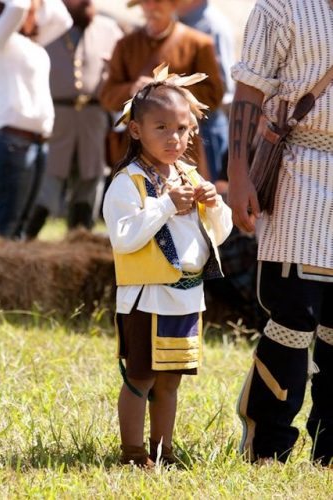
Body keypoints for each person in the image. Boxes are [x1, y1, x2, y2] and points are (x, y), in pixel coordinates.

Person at [102, 67, 232, 467]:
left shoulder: (188, 175)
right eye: (161, 127)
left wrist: (214, 205)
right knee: (140, 377)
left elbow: (221, 233)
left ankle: (163, 450)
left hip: (187, 295)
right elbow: (123, 238)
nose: (174, 138)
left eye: (181, 128)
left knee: (170, 381)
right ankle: (132, 452)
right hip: (146, 296)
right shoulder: (128, 182)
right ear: (136, 130)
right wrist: (164, 205)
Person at [227, 0, 333, 465]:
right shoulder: (282, 6)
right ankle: (266, 444)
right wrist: (238, 175)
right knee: (293, 316)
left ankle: (329, 449)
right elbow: (248, 93)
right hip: (298, 173)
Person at [25, 0, 122, 238]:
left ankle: (80, 238)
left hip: (94, 118)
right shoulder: (45, 25)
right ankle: (25, 241)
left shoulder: (109, 28)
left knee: (90, 181)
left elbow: (125, 69)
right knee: (48, 183)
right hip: (56, 117)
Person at [99, 0, 224, 180]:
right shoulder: (125, 45)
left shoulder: (199, 44)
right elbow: (107, 97)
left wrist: (169, 90)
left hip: (181, 148)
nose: (151, 7)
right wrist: (132, 89)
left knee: (186, 204)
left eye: (157, 1)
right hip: (135, 147)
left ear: (174, 4)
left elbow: (214, 95)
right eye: (145, 2)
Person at [0, 0, 72, 239]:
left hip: (38, 142)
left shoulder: (33, 44)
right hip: (12, 141)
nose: (39, 13)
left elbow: (64, 19)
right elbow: (17, 7)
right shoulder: (4, 39)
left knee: (21, 224)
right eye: (35, 9)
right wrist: (25, 5)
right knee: (7, 223)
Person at [177, 0, 235, 181]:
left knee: (209, 197)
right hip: (179, 128)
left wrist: (175, 88)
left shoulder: (213, 26)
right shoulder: (177, 21)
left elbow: (224, 86)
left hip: (207, 128)